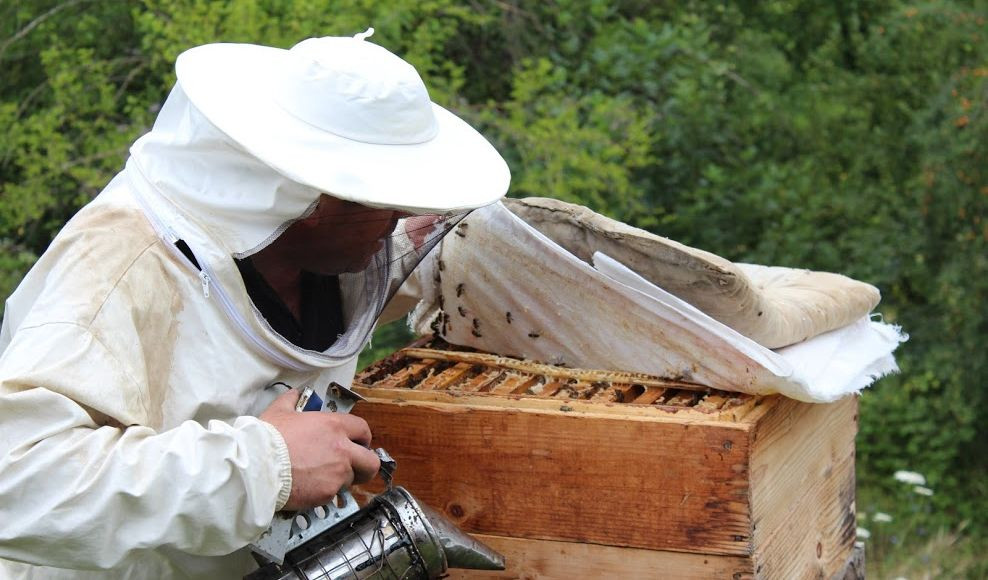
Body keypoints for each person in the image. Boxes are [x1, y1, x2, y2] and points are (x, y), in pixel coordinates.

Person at [0, 30, 510, 579]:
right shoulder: (118, 265)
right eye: (384, 201)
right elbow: (17, 482)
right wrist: (266, 467)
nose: (397, 220)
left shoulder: (307, 247)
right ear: (310, 192)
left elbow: (302, 310)